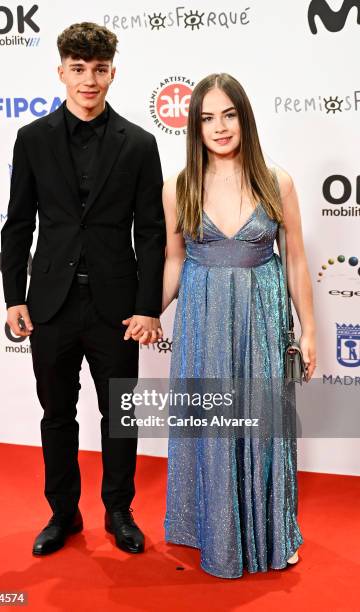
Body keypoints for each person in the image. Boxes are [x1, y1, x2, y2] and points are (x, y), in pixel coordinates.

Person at [1, 22, 166, 556]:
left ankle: (119, 511)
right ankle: (63, 513)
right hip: (50, 305)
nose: (88, 80)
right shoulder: (32, 140)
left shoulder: (140, 144)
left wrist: (147, 307)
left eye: (98, 70)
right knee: (56, 413)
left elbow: (153, 233)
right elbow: (17, 225)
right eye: (78, 69)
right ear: (61, 72)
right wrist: (14, 296)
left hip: (116, 308)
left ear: (112, 73)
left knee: (119, 414)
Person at [160, 73, 316, 579]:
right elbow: (174, 261)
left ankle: (273, 530)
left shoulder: (278, 180)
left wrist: (308, 329)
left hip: (262, 319)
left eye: (228, 114)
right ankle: (215, 528)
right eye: (207, 117)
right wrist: (148, 311)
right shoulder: (178, 185)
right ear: (194, 126)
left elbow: (294, 260)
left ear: (244, 116)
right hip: (203, 319)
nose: (219, 126)